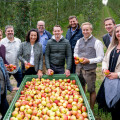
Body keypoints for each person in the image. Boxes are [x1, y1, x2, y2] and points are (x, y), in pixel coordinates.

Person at [74, 22, 104, 110]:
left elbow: (100, 57)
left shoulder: (97, 42)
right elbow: (75, 52)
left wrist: (89, 60)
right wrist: (77, 58)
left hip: (90, 70)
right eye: (84, 30)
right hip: (79, 68)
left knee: (91, 89)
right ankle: (82, 107)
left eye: (87, 30)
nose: (85, 31)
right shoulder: (79, 41)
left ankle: (91, 109)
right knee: (81, 87)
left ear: (91, 30)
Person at [97, 24, 120, 120]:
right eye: (118, 31)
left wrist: (117, 75)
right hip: (110, 80)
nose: (119, 33)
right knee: (113, 109)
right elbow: (105, 59)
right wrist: (104, 68)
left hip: (118, 80)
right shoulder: (112, 45)